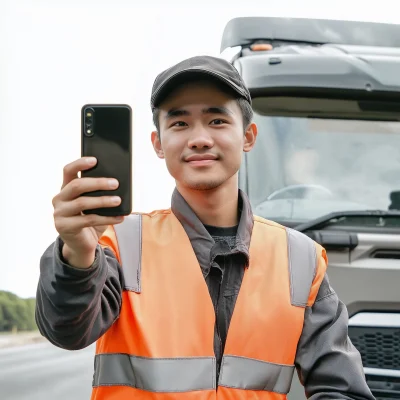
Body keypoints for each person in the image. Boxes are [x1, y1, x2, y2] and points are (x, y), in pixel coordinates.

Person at [35, 55, 375, 400]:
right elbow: (67, 331)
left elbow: (342, 390)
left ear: (248, 136)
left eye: (216, 120)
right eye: (180, 124)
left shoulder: (300, 259)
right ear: (158, 143)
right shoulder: (117, 242)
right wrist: (76, 253)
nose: (199, 139)